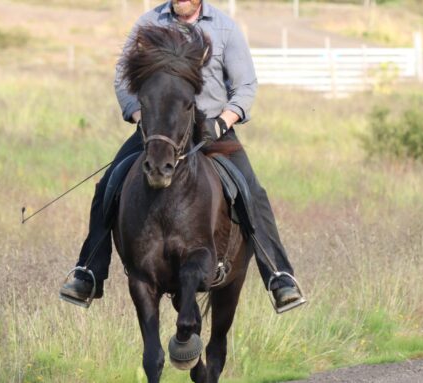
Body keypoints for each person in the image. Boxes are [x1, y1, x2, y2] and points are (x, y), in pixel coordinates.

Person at [60, 0, 305, 313]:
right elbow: (123, 80)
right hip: (159, 132)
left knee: (252, 192)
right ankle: (89, 272)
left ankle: (278, 275)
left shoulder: (225, 28)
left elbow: (245, 85)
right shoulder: (148, 25)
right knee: (108, 185)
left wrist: (225, 120)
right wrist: (140, 117)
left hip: (213, 133)